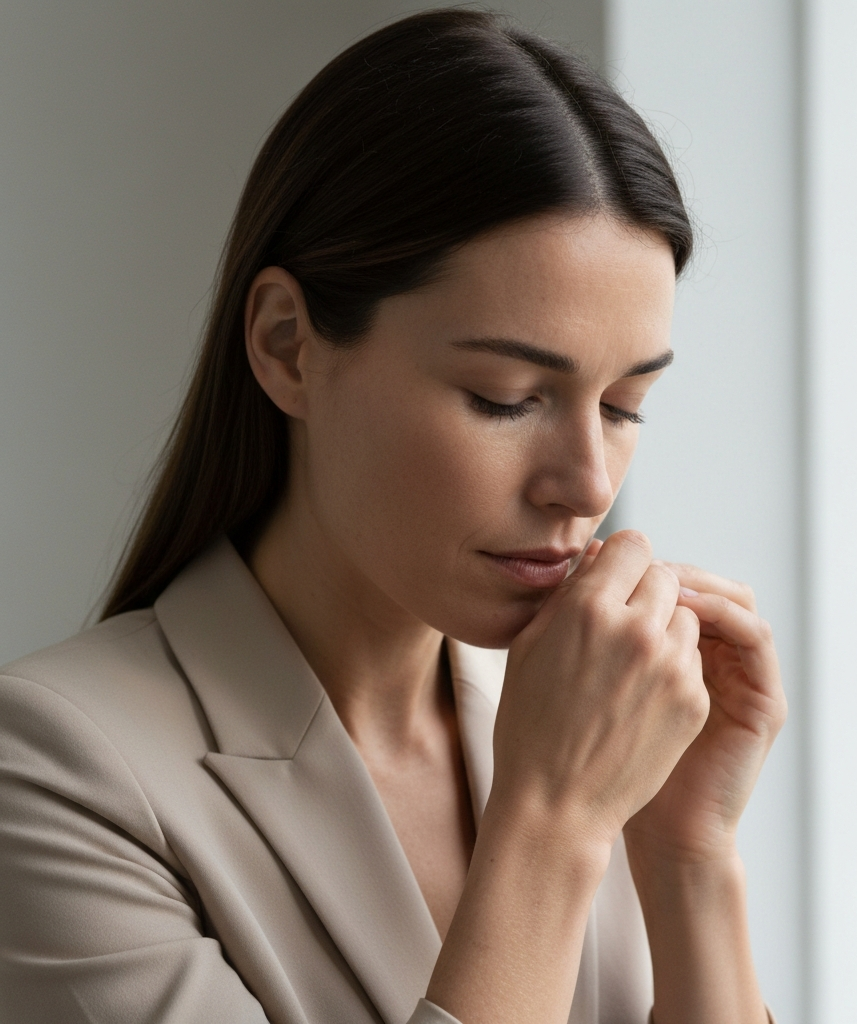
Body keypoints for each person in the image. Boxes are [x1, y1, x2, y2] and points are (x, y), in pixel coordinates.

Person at [0, 9, 786, 1024]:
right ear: (288, 345)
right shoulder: (56, 771)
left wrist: (690, 855)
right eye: (507, 394)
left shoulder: (591, 723)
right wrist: (549, 822)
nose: (587, 482)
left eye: (625, 404)